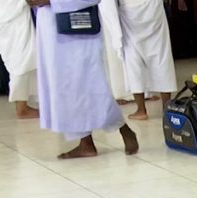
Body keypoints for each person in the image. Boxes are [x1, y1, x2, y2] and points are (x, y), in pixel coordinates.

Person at [29, 0, 138, 159]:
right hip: (50, 28)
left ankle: (122, 127)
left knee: (92, 83)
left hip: (79, 26)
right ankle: (86, 143)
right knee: (66, 88)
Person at [118, 0, 177, 120]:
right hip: (153, 7)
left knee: (133, 59)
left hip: (129, 10)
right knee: (161, 55)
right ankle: (166, 108)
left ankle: (141, 109)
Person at [0, 0, 40, 118]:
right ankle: (22, 109)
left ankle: (24, 105)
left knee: (23, 59)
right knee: (21, 61)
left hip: (3, 16)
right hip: (8, 17)